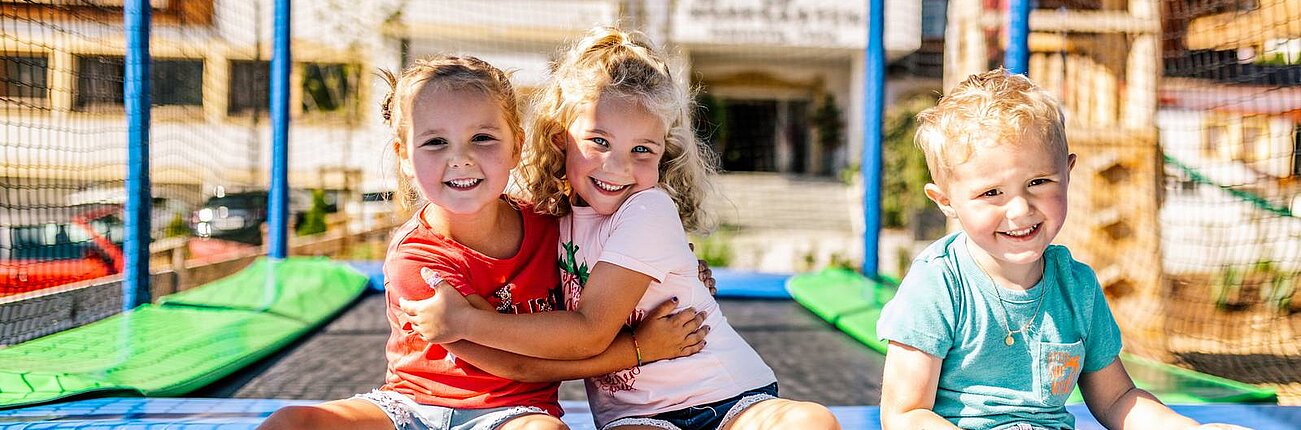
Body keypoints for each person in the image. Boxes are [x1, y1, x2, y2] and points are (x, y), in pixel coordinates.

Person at [399, 27, 840, 430]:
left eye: (642, 149)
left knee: (809, 423)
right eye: (599, 141)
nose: (618, 166)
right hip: (636, 415)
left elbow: (589, 330)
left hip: (726, 395)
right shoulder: (553, 219)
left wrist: (465, 321)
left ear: (664, 152)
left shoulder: (647, 209)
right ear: (560, 139)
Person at [258, 55, 710, 430]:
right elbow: (512, 365)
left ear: (516, 146)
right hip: (411, 407)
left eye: (482, 138)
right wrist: (638, 349)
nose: (461, 158)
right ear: (404, 156)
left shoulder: (554, 225)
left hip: (514, 413)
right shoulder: (416, 257)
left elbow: (622, 263)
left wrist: (681, 274)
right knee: (291, 422)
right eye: (435, 142)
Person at [876, 68, 1247, 430]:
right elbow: (905, 414)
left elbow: (1118, 398)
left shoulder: (1076, 287)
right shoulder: (940, 284)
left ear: (1068, 173)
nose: (1020, 210)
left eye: (1039, 182)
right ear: (945, 201)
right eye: (991, 193)